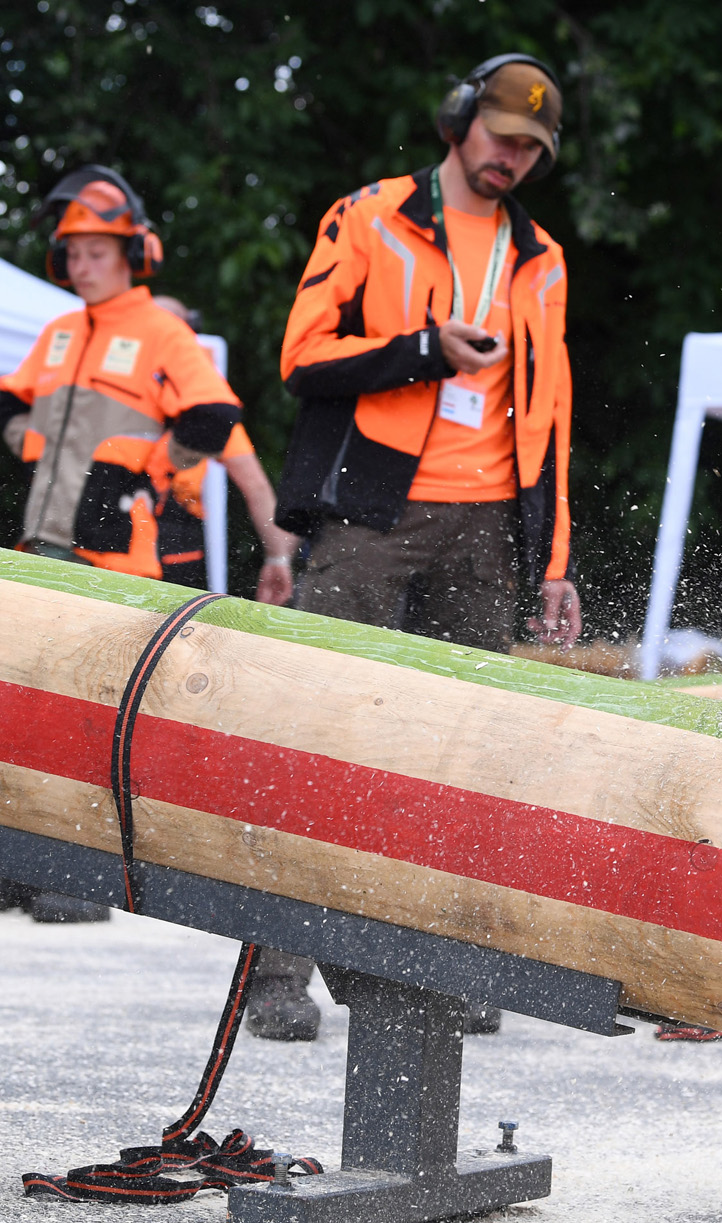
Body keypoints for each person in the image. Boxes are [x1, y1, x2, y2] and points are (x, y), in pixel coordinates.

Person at [252, 53, 581, 1043]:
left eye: (531, 149)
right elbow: (299, 358)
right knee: (318, 732)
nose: (512, 159)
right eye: (501, 137)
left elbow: (554, 415)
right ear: (458, 120)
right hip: (369, 516)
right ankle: (276, 971)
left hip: (489, 527)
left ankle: (423, 965)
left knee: (457, 757)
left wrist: (555, 559)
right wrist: (424, 350)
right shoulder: (369, 216)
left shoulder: (544, 258)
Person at [0, 167, 249, 924]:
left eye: (96, 251)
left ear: (133, 252)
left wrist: (150, 466)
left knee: (89, 724)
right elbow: (8, 404)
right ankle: (11, 865)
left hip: (116, 559)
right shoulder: (59, 332)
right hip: (41, 549)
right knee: (18, 713)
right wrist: (35, 449)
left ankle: (79, 880)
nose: (81, 264)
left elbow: (212, 416)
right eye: (72, 251)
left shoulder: (160, 333)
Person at [146, 295, 299, 603]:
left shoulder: (205, 413)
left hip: (173, 557)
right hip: (104, 545)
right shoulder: (107, 386)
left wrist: (279, 557)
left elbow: (256, 488)